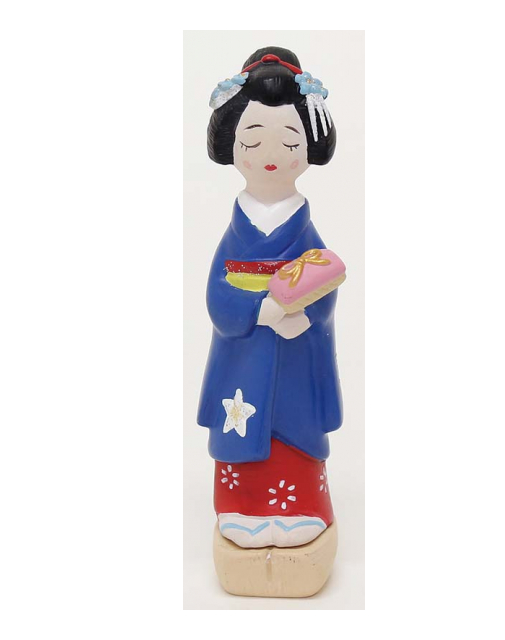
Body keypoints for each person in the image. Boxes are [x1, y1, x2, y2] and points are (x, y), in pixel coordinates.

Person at [198, 47, 343, 548]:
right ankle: (241, 508)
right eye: (254, 139)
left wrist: (309, 313)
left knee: (293, 422)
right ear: (233, 145)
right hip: (245, 347)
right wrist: (259, 309)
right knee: (241, 423)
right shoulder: (236, 235)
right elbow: (217, 294)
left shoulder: (305, 231)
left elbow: (326, 285)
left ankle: (300, 508)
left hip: (297, 344)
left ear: (309, 148)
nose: (270, 154)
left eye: (290, 140)